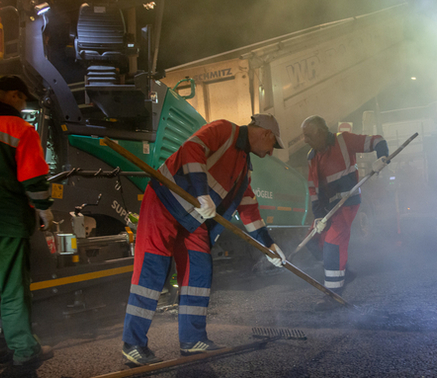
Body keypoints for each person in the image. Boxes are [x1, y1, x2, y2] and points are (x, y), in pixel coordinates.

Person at [121, 114, 287, 366]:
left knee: (199, 269)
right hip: (165, 201)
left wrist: (270, 246)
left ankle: (192, 340)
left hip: (194, 216)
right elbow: (192, 149)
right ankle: (133, 344)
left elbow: (249, 209)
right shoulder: (224, 130)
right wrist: (201, 194)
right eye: (273, 145)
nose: (270, 153)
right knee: (151, 270)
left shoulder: (243, 168)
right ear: (266, 133)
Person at [0, 75, 54, 367]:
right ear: (14, 95)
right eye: (23, 99)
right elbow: (34, 178)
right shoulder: (19, 128)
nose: (24, 105)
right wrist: (43, 208)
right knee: (12, 290)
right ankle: (25, 350)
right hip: (5, 221)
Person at [301, 115, 389, 311]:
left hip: (347, 202)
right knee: (314, 241)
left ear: (320, 132)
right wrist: (317, 217)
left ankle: (332, 296)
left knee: (333, 244)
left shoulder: (344, 140)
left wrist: (382, 157)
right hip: (327, 208)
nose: (305, 140)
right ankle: (344, 272)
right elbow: (312, 189)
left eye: (308, 135)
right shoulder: (311, 156)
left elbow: (377, 141)